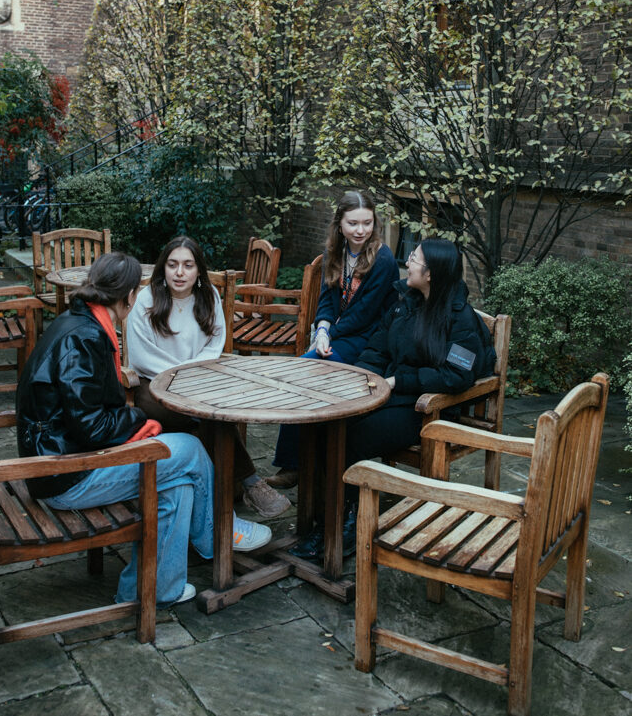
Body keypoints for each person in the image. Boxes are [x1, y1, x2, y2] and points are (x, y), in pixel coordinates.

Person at [16, 252, 271, 608]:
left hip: (63, 460)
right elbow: (92, 427)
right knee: (190, 450)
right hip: (63, 475)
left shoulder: (78, 322)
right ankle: (216, 537)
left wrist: (135, 423)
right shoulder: (84, 338)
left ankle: (152, 589)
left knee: (179, 483)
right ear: (130, 294)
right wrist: (140, 422)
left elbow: (86, 415)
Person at [289, 238, 496, 560]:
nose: (408, 263)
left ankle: (347, 524)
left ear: (431, 274)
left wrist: (400, 380)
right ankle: (321, 519)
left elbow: (457, 376)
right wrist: (362, 380)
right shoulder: (405, 303)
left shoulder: (460, 318)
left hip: (429, 410)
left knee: (350, 436)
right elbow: (377, 349)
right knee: (320, 421)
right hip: (389, 396)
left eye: (413, 259)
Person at [126, 235, 291, 519]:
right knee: (208, 418)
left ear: (198, 270)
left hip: (198, 382)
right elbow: (142, 356)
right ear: (163, 268)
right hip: (152, 385)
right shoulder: (147, 299)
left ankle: (221, 494)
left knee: (209, 414)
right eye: (173, 265)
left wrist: (191, 375)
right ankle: (248, 482)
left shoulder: (209, 295)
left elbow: (215, 344)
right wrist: (177, 375)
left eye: (188, 266)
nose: (180, 273)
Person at [267, 190, 399, 488]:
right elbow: (327, 297)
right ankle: (295, 463)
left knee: (305, 372)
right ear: (340, 223)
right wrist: (323, 329)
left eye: (367, 223)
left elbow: (365, 315)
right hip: (339, 334)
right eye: (353, 223)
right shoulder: (334, 252)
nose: (361, 230)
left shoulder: (383, 258)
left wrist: (328, 336)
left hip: (369, 340)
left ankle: (300, 464)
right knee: (301, 375)